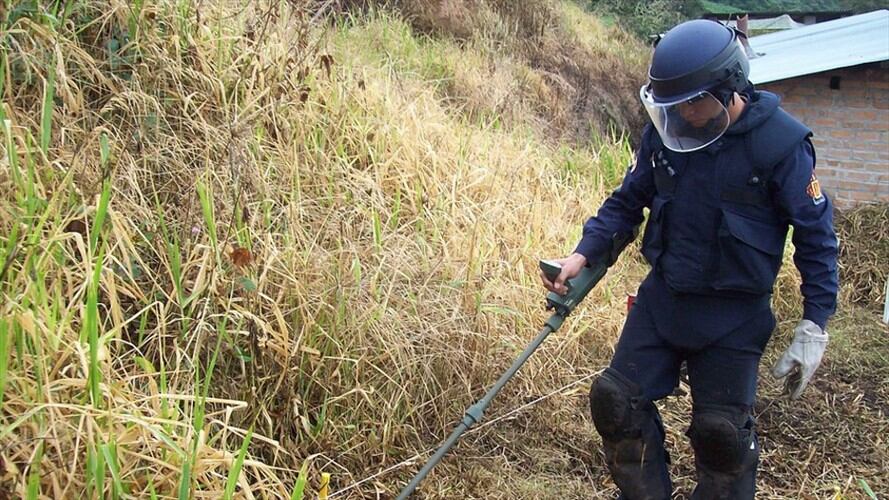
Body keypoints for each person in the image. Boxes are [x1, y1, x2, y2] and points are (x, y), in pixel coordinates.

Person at [539, 19, 838, 500]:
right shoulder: (667, 131)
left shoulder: (781, 146)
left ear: (730, 89)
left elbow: (816, 237)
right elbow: (626, 201)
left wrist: (815, 323)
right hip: (666, 298)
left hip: (734, 316)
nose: (683, 116)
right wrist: (583, 253)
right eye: (672, 107)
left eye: (693, 104)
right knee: (615, 403)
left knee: (722, 436)